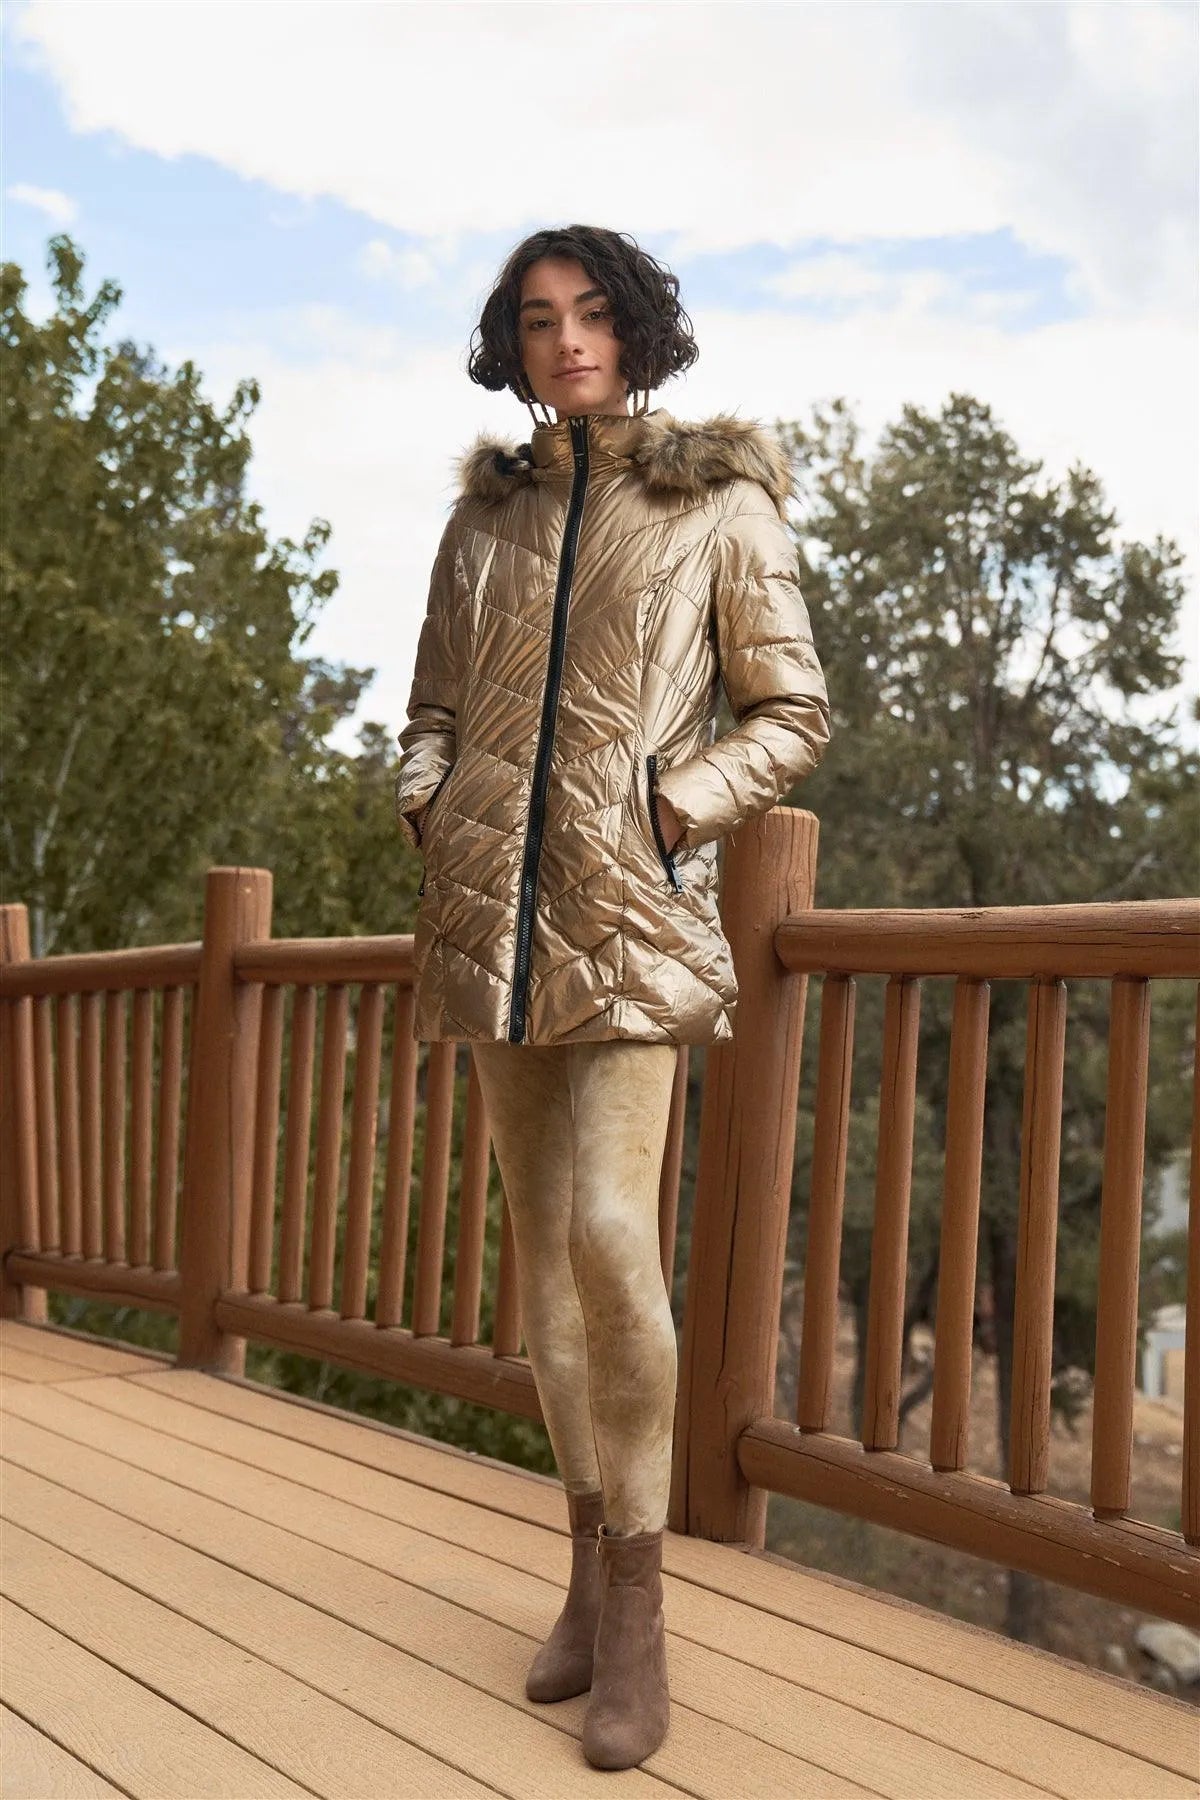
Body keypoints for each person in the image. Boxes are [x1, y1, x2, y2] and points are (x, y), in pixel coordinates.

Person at [394, 223, 830, 1771]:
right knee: (539, 1254)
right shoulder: (485, 524)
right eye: (537, 320)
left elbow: (792, 711)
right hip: (487, 926)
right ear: (511, 348)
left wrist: (667, 809)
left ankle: (640, 1608)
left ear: (637, 332)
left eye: (591, 314)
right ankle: (583, 1572)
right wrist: (430, 804)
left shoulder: (719, 505)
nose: (567, 340)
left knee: (605, 1233)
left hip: (633, 923)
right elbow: (432, 708)